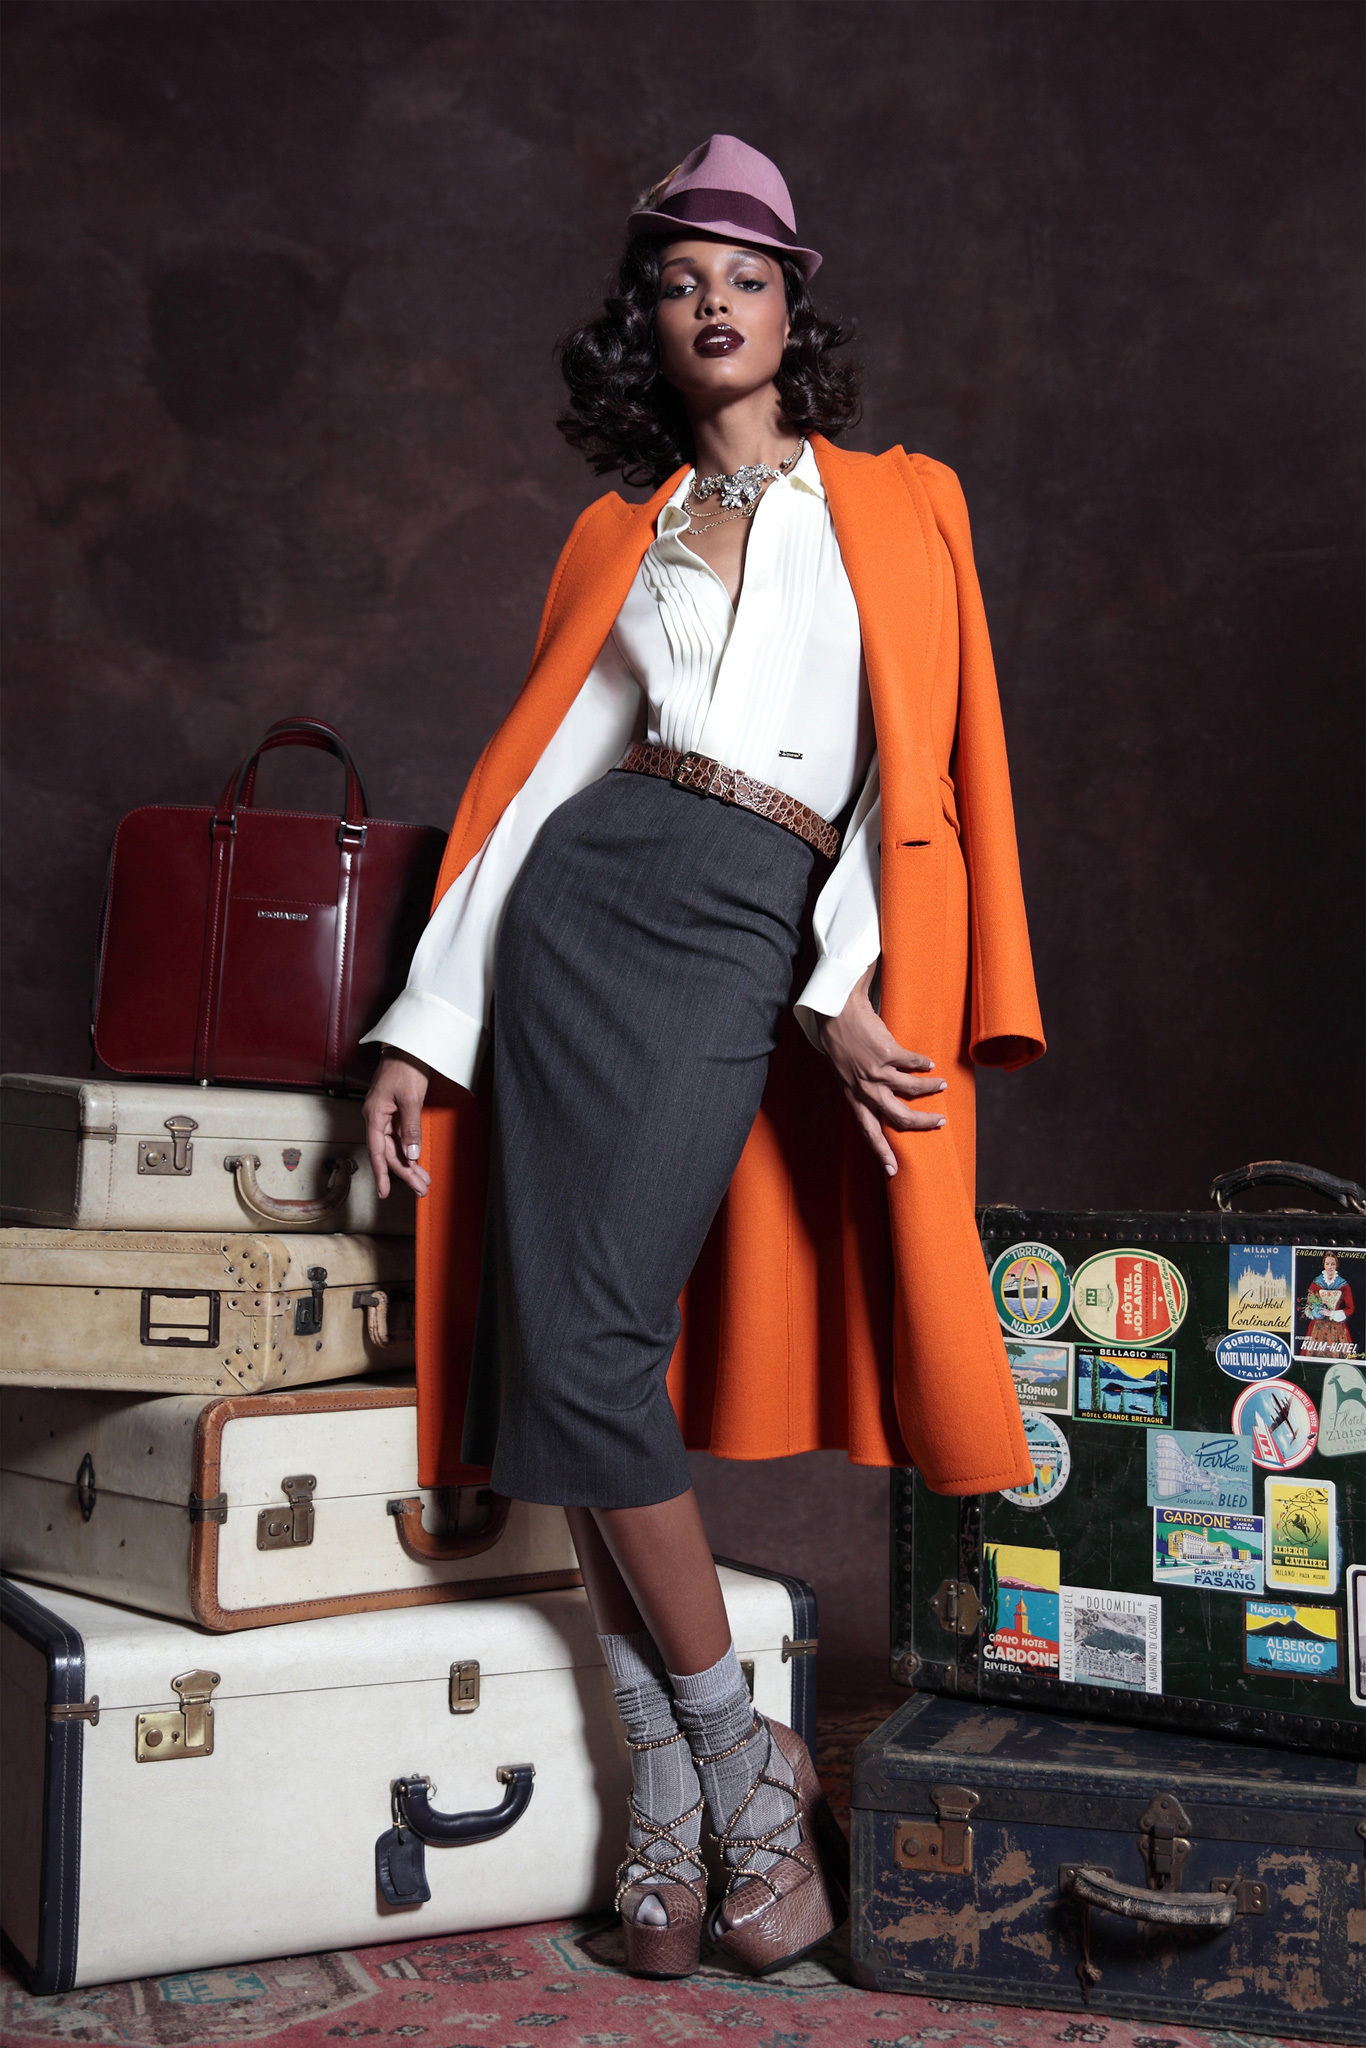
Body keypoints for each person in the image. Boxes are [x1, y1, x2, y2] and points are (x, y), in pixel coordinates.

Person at [362, 135, 1044, 1978]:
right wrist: (423, 1030)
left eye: (744, 275)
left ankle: (728, 1778)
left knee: (591, 1352)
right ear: (648, 328)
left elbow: (911, 776)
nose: (712, 301)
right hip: (576, 913)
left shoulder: (896, 506)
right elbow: (533, 796)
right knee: (557, 1358)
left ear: (791, 310)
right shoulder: (628, 533)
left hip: (750, 910)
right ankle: (700, 1802)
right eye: (678, 281)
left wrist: (839, 990)